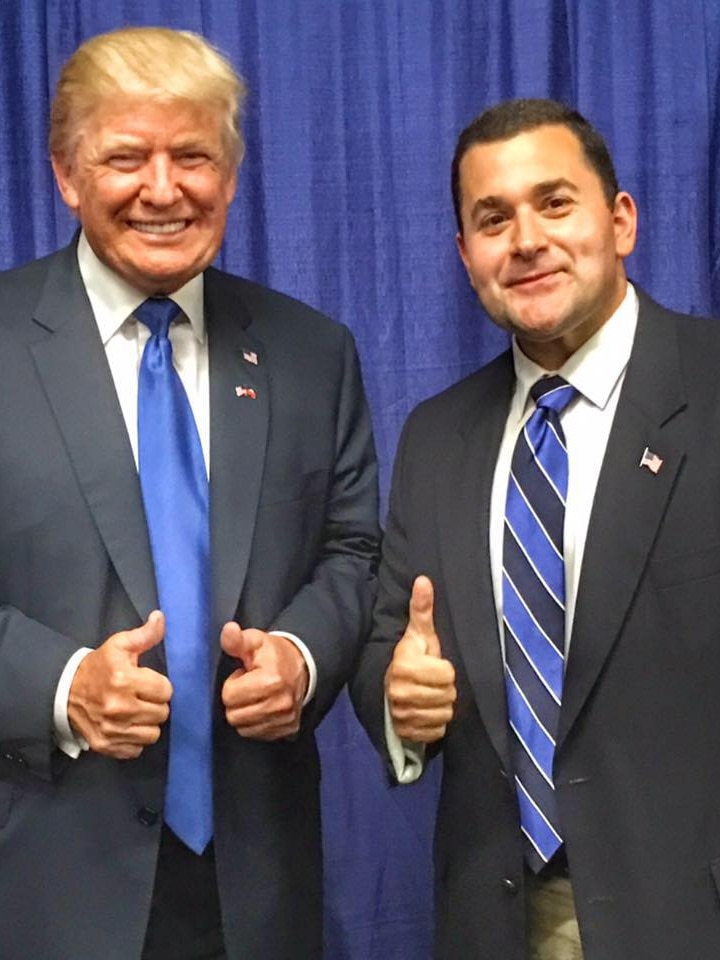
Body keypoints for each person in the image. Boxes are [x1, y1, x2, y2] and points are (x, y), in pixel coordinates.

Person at [0, 26, 379, 960]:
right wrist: (58, 685)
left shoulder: (311, 351)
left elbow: (353, 550)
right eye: (127, 157)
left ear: (232, 174)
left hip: (260, 887)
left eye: (193, 156)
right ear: (64, 173)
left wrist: (300, 654)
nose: (164, 189)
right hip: (44, 874)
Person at [350, 97, 720, 960]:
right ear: (465, 255)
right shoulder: (437, 435)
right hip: (509, 920)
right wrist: (401, 704)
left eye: (555, 203)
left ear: (620, 220)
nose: (524, 240)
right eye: (492, 219)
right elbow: (389, 646)